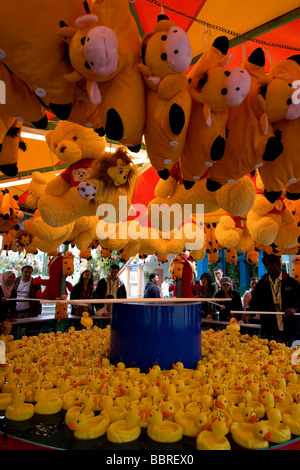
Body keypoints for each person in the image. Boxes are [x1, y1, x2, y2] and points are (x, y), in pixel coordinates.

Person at [249, 254, 300, 346]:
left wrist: (294, 308)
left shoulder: (291, 282)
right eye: (266, 265)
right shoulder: (261, 284)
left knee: (291, 356)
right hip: (269, 328)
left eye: (271, 264)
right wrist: (248, 313)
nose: (268, 267)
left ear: (278, 264)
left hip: (290, 327)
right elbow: (254, 303)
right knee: (271, 357)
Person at [0, 270, 17, 335]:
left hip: (7, 320)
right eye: (9, 277)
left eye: (13, 277)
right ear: (5, 278)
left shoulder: (13, 291)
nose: (12, 279)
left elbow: (13, 305)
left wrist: (12, 316)